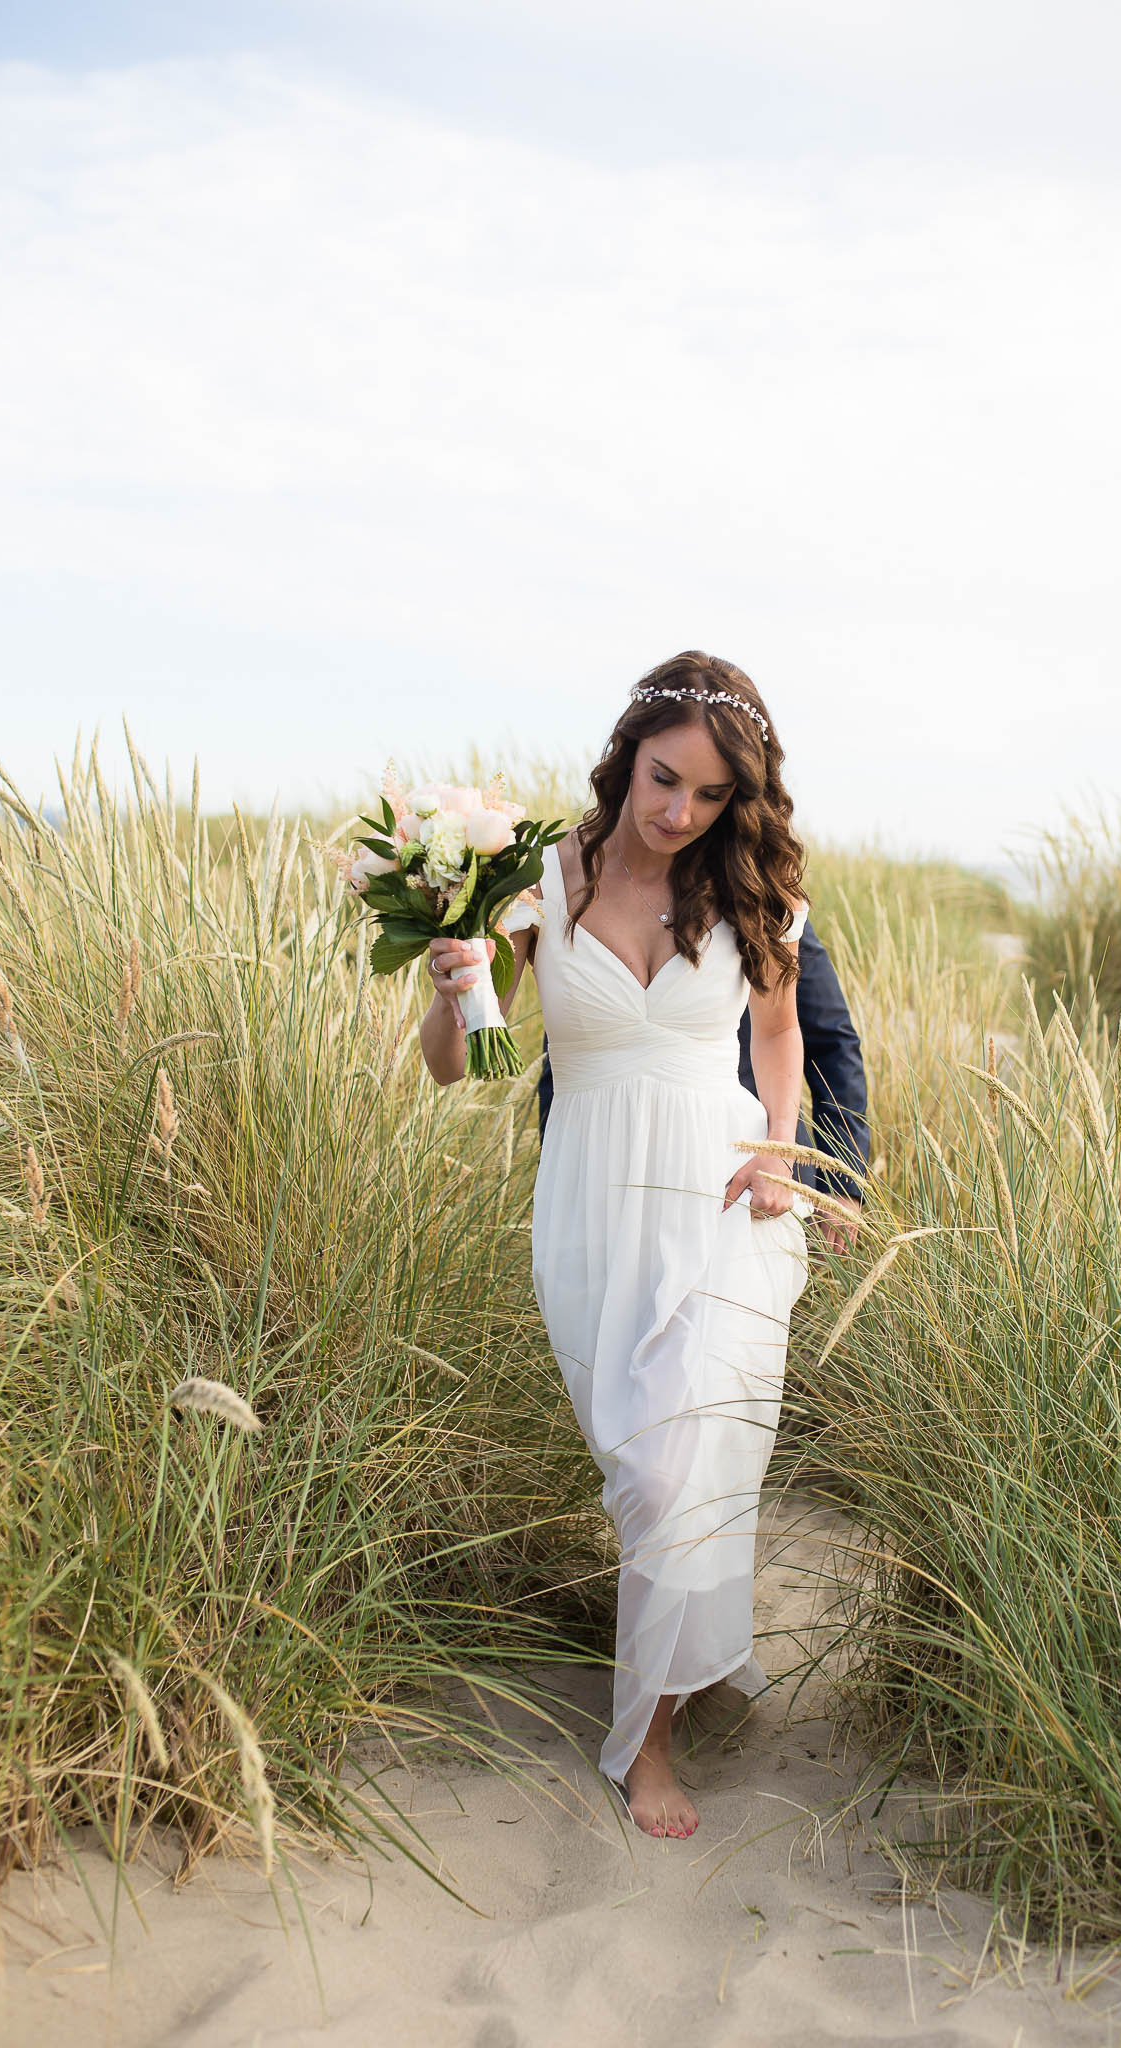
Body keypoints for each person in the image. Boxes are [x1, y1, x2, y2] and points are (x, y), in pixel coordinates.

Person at [421, 653, 825, 1841]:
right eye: (663, 780)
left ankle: (644, 1739)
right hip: (593, 1200)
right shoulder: (534, 876)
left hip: (718, 1194)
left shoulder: (750, 890)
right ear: (628, 748)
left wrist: (782, 1149)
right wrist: (457, 988)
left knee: (673, 1470)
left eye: (705, 795)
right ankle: (675, 1663)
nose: (677, 814)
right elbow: (461, 1068)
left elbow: (781, 1028)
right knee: (643, 1465)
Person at [538, 917, 868, 1249]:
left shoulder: (762, 892)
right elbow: (568, 1055)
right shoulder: (585, 894)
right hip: (607, 1178)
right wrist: (560, 1169)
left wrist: (841, 1184)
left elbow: (830, 1041)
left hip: (749, 1179)